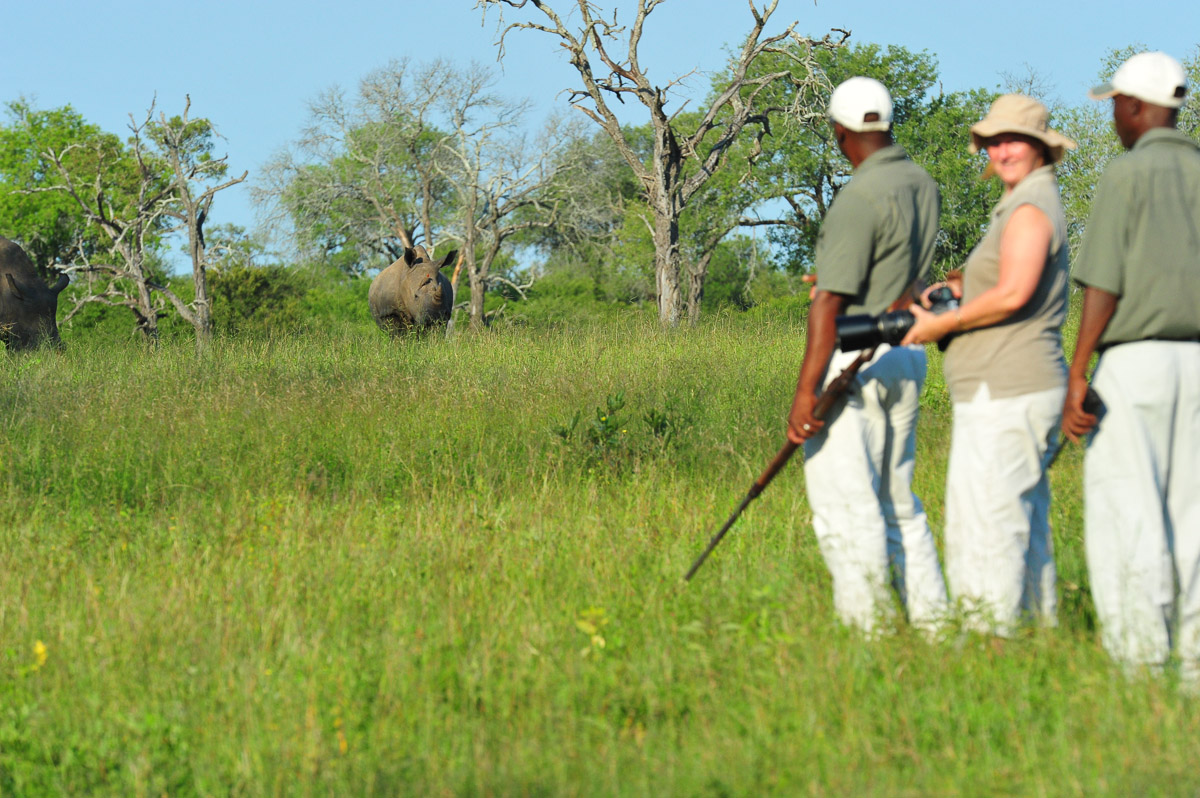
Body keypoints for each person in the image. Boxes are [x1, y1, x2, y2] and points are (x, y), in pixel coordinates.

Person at [901, 94, 1075, 635]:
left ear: (1041, 148)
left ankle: (989, 644)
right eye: (994, 141)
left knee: (988, 525)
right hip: (1016, 386)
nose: (1002, 151)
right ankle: (1035, 643)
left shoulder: (1029, 206)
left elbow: (1013, 292)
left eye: (1014, 140)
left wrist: (938, 325)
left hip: (1008, 389)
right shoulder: (1024, 202)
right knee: (1024, 523)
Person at [787, 76, 947, 634]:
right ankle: (934, 627)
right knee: (899, 502)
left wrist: (805, 394)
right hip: (908, 354)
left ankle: (869, 636)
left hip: (856, 358)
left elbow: (828, 304)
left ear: (839, 131)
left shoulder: (858, 194)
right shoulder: (921, 182)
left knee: (845, 508)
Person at [1060, 52, 1200, 679]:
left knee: (1129, 511)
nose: (1113, 114)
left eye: (1115, 102)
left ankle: (1141, 665)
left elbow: (1104, 287)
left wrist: (1077, 369)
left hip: (1135, 364)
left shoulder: (1126, 174)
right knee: (1192, 516)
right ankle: (1193, 664)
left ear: (1139, 106)